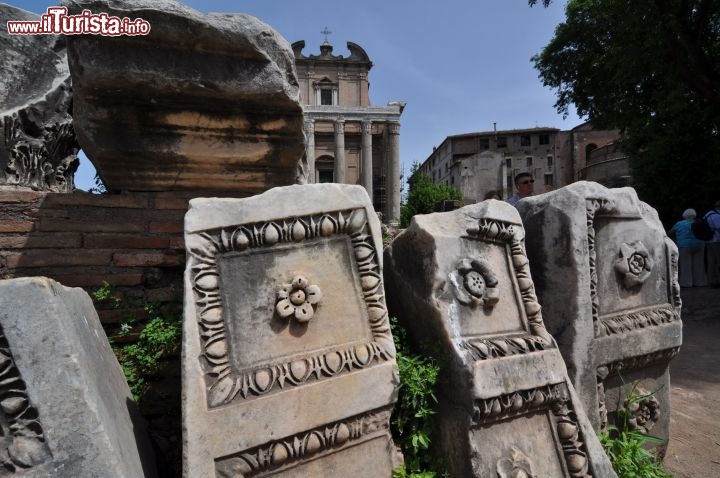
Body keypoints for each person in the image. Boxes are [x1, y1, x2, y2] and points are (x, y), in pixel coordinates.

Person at [668, 209, 707, 287]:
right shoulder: (699, 223)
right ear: (694, 215)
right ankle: (699, 282)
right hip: (699, 244)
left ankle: (687, 283)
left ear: (684, 215)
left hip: (684, 246)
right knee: (699, 264)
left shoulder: (679, 224)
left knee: (685, 265)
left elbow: (670, 233)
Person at [704, 200, 720, 287]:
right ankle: (717, 280)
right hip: (716, 241)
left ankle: (711, 281)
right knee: (718, 261)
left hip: (708, 240)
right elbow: (719, 229)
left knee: (711, 261)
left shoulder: (708, 214)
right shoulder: (717, 216)